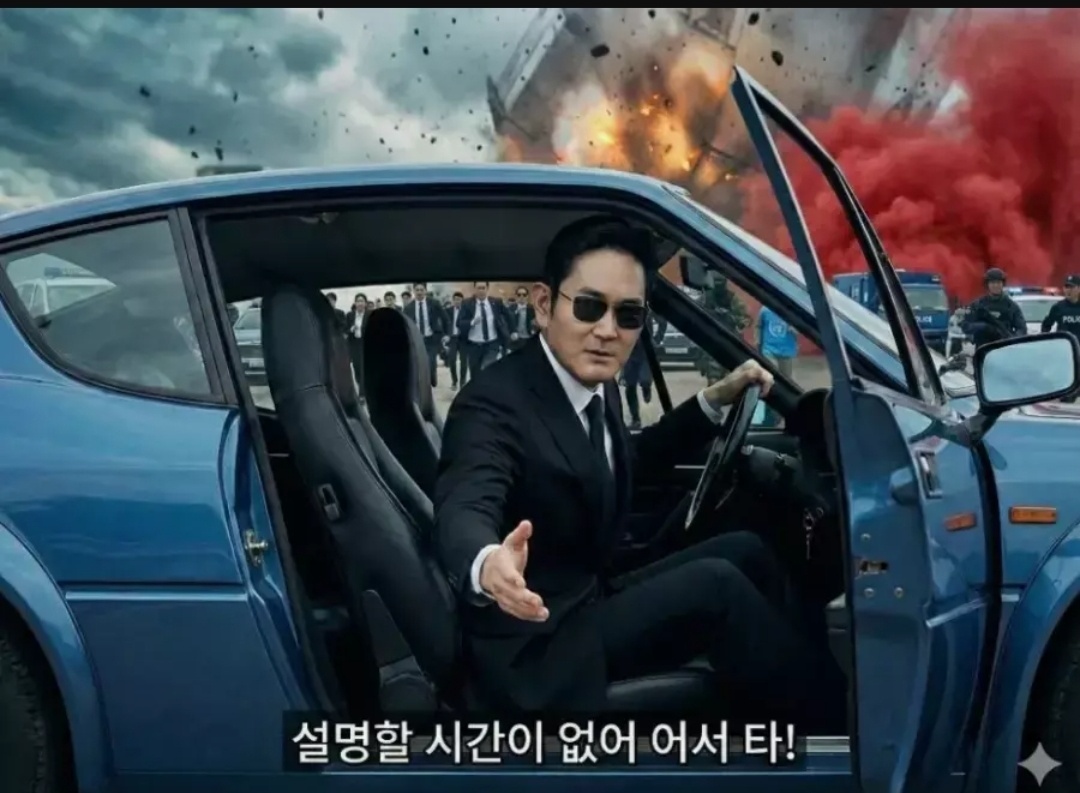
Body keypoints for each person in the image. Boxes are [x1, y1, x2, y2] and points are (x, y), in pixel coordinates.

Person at [434, 215, 846, 731]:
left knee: (744, 549)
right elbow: (466, 501)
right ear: (543, 304)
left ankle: (817, 678)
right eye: (589, 307)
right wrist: (487, 562)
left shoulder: (588, 380)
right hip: (539, 642)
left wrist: (712, 402)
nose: (608, 331)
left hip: (588, 591)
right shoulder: (492, 404)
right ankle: (837, 728)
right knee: (717, 586)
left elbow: (621, 458)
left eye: (628, 315)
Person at [620, 314, 666, 430]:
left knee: (645, 379)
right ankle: (635, 419)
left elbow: (662, 322)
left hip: (645, 351)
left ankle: (646, 388)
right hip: (629, 352)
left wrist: (657, 339)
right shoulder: (623, 310)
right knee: (630, 386)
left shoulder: (646, 308)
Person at [961, 268, 1026, 348]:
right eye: (992, 283)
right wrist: (983, 327)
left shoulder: (1011, 306)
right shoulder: (977, 305)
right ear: (987, 284)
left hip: (1004, 347)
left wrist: (1013, 339)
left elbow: (1021, 328)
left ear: (1003, 284)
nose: (995, 285)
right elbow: (965, 325)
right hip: (983, 348)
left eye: (998, 282)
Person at [456, 281, 509, 374]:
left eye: (483, 288)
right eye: (479, 288)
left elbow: (508, 315)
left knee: (488, 369)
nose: (481, 291)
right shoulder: (467, 303)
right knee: (475, 373)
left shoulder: (496, 302)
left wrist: (513, 331)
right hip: (474, 346)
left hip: (492, 344)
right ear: (475, 289)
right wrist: (472, 322)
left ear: (487, 289)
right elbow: (459, 323)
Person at [757, 305, 797, 428]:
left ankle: (780, 414)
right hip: (769, 351)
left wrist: (794, 329)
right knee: (770, 381)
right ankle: (769, 416)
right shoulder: (764, 310)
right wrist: (758, 343)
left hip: (786, 353)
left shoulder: (791, 310)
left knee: (785, 384)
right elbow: (759, 327)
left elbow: (799, 329)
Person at [403, 282, 449, 388]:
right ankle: (423, 385)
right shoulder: (409, 308)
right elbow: (406, 325)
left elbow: (445, 318)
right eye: (417, 290)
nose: (419, 292)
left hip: (431, 339)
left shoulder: (434, 303)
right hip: (417, 340)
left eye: (421, 290)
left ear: (425, 291)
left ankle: (432, 375)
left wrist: (446, 334)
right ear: (414, 291)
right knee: (418, 363)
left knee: (431, 362)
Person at [1042, 275, 1080, 403]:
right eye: (1066, 287)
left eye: (1072, 287)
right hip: (1065, 352)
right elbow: (1047, 324)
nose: (1068, 290)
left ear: (1079, 289)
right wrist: (1046, 340)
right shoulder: (1058, 307)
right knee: (1067, 388)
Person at [345, 293, 368, 398]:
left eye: (362, 301)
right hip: (354, 345)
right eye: (358, 301)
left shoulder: (369, 314)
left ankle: (362, 394)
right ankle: (362, 388)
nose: (360, 303)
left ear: (365, 303)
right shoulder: (350, 315)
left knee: (363, 369)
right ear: (355, 303)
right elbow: (345, 330)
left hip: (365, 344)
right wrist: (351, 329)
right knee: (357, 368)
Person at [446, 291, 469, 391]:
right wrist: (446, 335)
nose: (457, 302)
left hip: (463, 339)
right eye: (455, 300)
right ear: (453, 300)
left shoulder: (466, 311)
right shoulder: (448, 311)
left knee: (464, 361)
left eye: (459, 300)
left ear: (462, 301)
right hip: (453, 338)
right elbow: (444, 323)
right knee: (452, 360)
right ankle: (454, 381)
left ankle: (462, 381)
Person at [508, 286, 537, 352]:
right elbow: (507, 323)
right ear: (516, 296)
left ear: (527, 296)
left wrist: (534, 329)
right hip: (515, 339)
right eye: (519, 295)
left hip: (528, 338)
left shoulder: (532, 308)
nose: (521, 297)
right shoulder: (511, 308)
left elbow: (537, 324)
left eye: (524, 295)